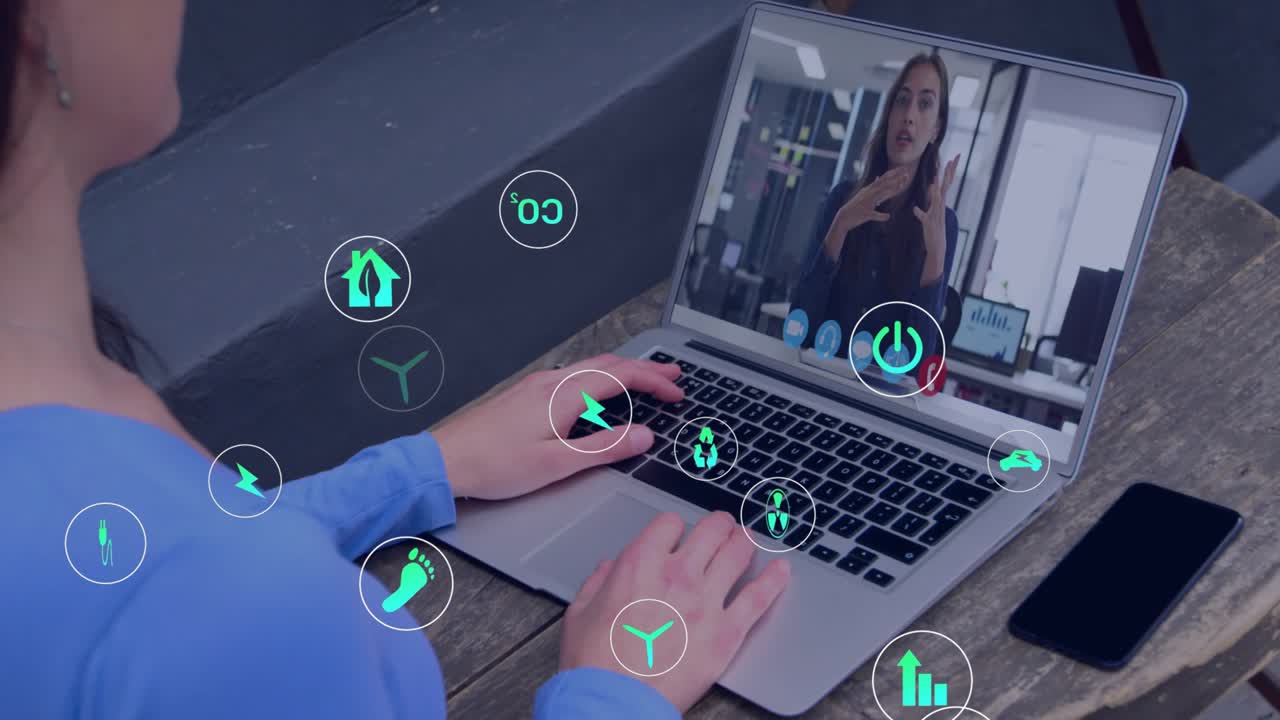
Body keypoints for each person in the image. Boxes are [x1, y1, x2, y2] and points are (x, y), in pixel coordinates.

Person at [0, 1, 790, 717]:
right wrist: (613, 697)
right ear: (40, 23)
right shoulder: (244, 614)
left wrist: (422, 470)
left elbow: (132, 569)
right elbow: (195, 600)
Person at [792, 52, 961, 360]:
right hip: (821, 376)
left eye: (925, 104)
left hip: (879, 387)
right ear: (889, 115)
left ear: (937, 129)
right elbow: (797, 330)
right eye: (902, 100)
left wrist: (935, 257)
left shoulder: (942, 224)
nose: (909, 115)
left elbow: (917, 365)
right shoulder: (842, 200)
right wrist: (840, 227)